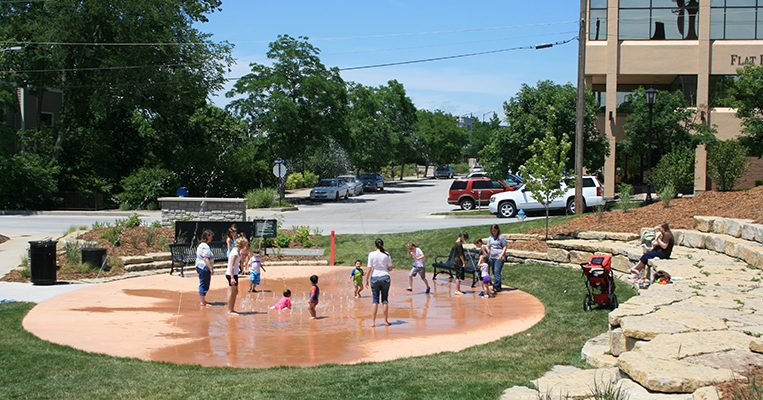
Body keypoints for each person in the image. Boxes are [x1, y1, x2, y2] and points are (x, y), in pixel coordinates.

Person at [365, 238, 392, 327]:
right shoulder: (387, 254)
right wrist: (388, 268)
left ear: (375, 245)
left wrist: (366, 280)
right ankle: (386, 321)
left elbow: (369, 268)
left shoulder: (371, 254)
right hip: (385, 277)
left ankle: (373, 322)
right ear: (382, 244)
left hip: (375, 277)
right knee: (385, 300)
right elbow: (390, 268)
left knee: (375, 300)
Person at [225, 237, 247, 315]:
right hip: (231, 274)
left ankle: (231, 309)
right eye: (245, 244)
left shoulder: (237, 251)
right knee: (233, 292)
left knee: (235, 292)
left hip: (234, 274)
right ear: (242, 244)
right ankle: (230, 310)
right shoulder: (235, 253)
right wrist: (232, 278)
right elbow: (231, 265)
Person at [195, 229, 215, 307]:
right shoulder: (205, 246)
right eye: (211, 236)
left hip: (199, 266)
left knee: (203, 283)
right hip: (204, 267)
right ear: (207, 236)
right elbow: (206, 258)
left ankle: (203, 300)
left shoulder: (201, 245)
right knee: (204, 284)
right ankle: (203, 302)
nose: (212, 238)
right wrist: (211, 268)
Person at [487, 224, 508, 292]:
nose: (494, 232)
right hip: (492, 257)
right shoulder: (490, 238)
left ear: (498, 230)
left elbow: (505, 246)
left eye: (495, 231)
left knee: (497, 271)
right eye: (492, 231)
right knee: (494, 272)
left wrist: (501, 255)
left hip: (499, 257)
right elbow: (488, 246)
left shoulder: (501, 237)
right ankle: (498, 287)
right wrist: (489, 252)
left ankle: (495, 287)